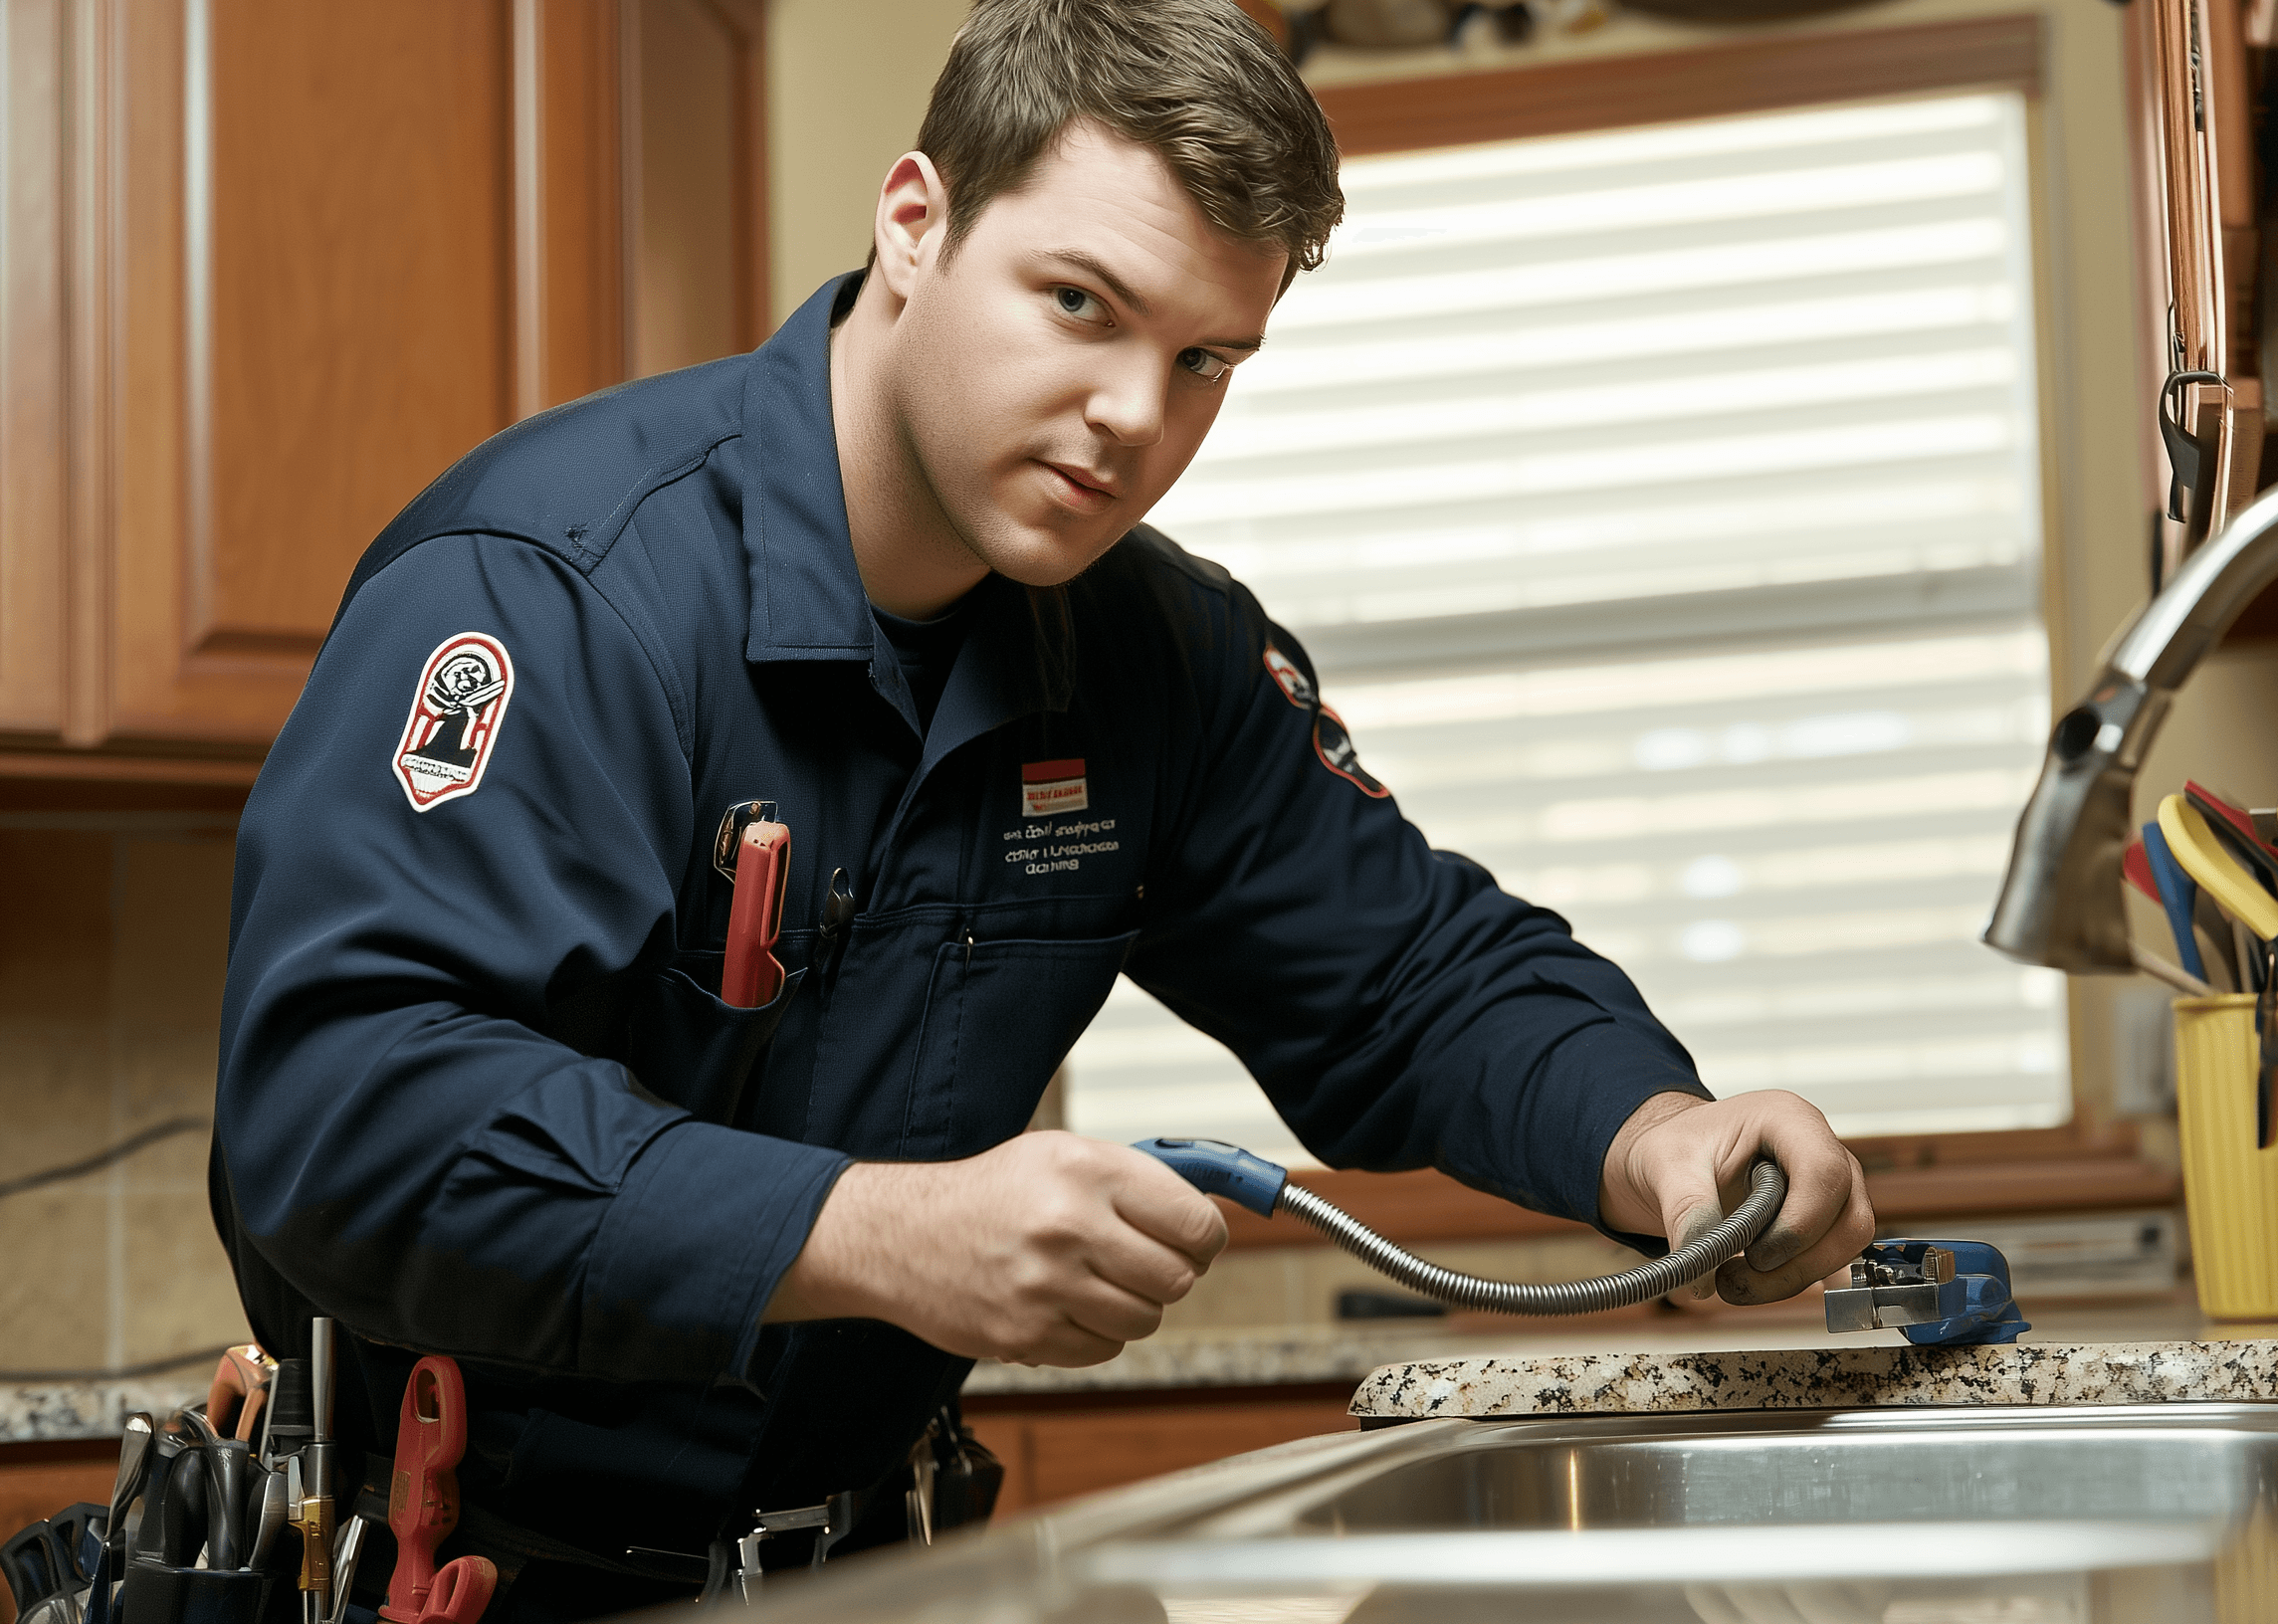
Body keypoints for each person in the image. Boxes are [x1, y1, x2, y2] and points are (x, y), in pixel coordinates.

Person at [211, 1, 1874, 1614]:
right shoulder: (557, 589)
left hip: (893, 1565)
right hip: (465, 1571)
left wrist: (1661, 1138)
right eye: (1082, 303)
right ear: (916, 222)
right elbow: (344, 1116)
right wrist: (875, 1232)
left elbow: (1410, 979)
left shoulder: (1159, 653)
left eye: (1207, 358)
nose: (1140, 421)